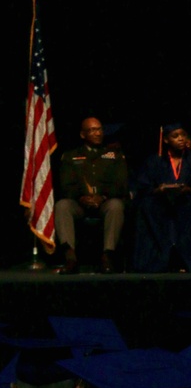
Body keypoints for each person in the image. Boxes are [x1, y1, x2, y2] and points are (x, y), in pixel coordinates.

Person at [133, 124, 191, 272]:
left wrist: (189, 189)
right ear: (165, 140)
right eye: (175, 136)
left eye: (183, 135)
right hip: (161, 202)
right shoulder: (154, 161)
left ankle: (188, 261)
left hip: (187, 201)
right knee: (147, 205)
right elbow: (143, 188)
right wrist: (159, 190)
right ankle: (160, 260)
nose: (181, 139)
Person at [53, 117, 128, 274]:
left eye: (99, 129)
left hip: (105, 202)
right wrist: (81, 197)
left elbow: (120, 184)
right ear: (82, 134)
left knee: (116, 206)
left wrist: (102, 197)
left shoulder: (114, 155)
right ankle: (70, 257)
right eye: (92, 130)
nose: (97, 133)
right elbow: (66, 185)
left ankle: (107, 256)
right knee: (62, 206)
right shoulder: (70, 156)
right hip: (79, 203)